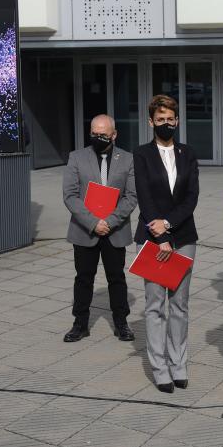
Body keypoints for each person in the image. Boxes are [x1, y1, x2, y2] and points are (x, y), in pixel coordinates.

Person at [134, 95, 200, 393]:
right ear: (151, 122)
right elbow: (144, 196)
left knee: (180, 305)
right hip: (151, 239)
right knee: (155, 305)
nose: (165, 123)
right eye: (160, 119)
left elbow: (191, 198)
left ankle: (179, 364)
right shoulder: (142, 154)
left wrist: (169, 226)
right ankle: (159, 368)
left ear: (177, 120)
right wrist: (159, 235)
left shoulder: (188, 153)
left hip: (183, 237)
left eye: (170, 118)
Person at [62, 114, 137, 343]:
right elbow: (70, 195)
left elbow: (131, 196)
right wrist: (94, 222)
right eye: (94, 133)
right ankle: (80, 324)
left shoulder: (127, 159)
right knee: (83, 278)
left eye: (103, 134)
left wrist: (110, 222)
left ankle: (121, 323)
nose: (98, 137)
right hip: (85, 230)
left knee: (117, 278)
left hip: (115, 230)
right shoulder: (76, 157)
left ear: (114, 135)